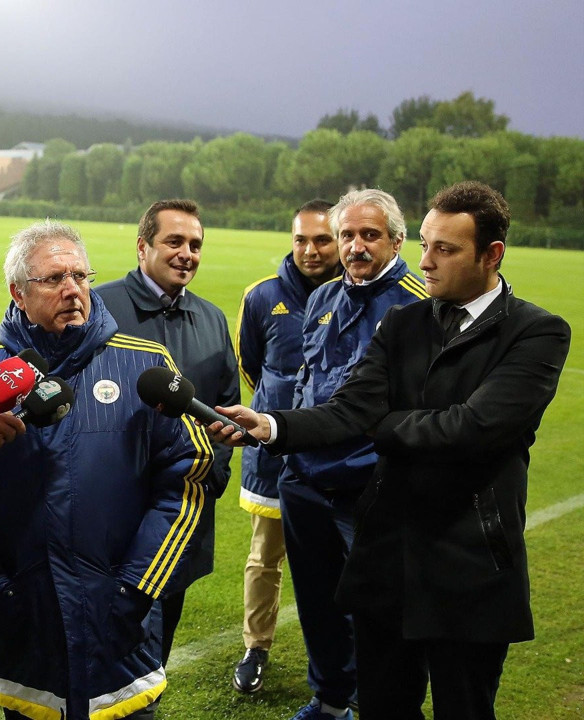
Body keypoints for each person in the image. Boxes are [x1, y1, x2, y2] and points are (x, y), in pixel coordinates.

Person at [209, 181, 570, 720]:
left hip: (468, 556)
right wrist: (270, 424)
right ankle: (331, 698)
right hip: (389, 550)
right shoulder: (405, 324)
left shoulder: (536, 332)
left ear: (491, 254)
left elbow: (472, 430)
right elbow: (349, 409)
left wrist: (386, 424)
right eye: (425, 244)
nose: (426, 262)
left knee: (463, 706)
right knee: (383, 704)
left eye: (444, 249)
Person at [0, 220, 213, 720]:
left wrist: (138, 586)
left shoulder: (147, 365)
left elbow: (188, 476)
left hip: (123, 619)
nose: (72, 289)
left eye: (81, 276)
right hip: (22, 621)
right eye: (54, 279)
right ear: (17, 292)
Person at [256, 188, 430, 720]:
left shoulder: (420, 307)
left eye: (369, 235)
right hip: (305, 479)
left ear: (397, 240)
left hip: (370, 488)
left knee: (385, 613)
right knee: (318, 604)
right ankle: (331, 701)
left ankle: (388, 707)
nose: (356, 246)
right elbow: (305, 382)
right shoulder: (324, 297)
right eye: (347, 235)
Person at [95, 199, 238, 692]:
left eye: (195, 245)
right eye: (174, 242)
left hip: (181, 514)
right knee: (102, 652)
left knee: (154, 660)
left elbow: (224, 409)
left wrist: (208, 477)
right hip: (111, 517)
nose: (186, 254)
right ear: (142, 247)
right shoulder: (99, 308)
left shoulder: (213, 319)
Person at [230, 199, 341, 693]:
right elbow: (251, 366)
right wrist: (279, 407)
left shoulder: (354, 294)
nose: (311, 250)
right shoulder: (262, 297)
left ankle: (345, 658)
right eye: (301, 240)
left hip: (338, 449)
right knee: (263, 555)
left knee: (338, 557)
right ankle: (256, 646)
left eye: (322, 239)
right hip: (274, 446)